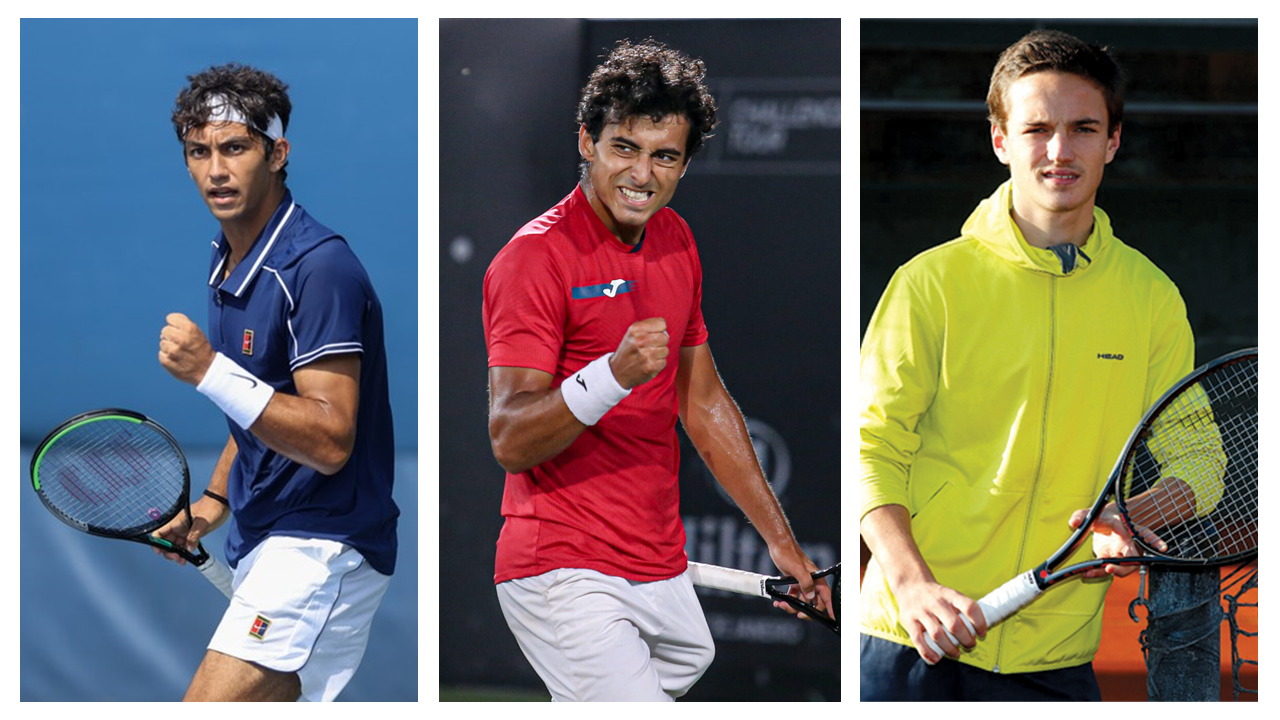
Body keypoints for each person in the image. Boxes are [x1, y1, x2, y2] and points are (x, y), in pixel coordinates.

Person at [483, 39, 833, 702]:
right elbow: (509, 438)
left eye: (664, 156)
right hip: (562, 568)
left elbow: (703, 406)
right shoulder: (533, 259)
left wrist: (782, 545)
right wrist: (609, 376)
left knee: (683, 664)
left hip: (658, 569)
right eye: (624, 148)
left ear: (683, 164)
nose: (642, 174)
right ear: (586, 142)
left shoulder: (675, 239)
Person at [859, 30, 1197, 701]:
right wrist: (913, 585)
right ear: (1001, 141)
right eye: (1037, 128)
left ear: (1113, 141)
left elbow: (1198, 458)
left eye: (1083, 128)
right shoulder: (929, 283)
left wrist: (1138, 512)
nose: (1060, 151)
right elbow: (871, 447)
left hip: (1057, 662)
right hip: (907, 649)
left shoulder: (1153, 299)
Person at [153, 63, 398, 702]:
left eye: (235, 148)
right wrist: (215, 499)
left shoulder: (320, 269)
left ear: (277, 153)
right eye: (198, 152)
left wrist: (207, 370)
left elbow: (329, 439)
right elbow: (263, 398)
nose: (216, 170)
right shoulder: (227, 257)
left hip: (324, 545)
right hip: (267, 536)